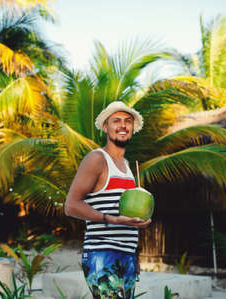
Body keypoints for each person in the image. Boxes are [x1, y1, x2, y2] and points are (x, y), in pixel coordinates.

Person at [64, 101, 152, 299]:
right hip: (102, 253)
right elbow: (71, 205)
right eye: (116, 121)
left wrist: (135, 251)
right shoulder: (97, 159)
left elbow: (127, 217)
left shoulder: (128, 167)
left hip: (126, 255)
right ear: (106, 127)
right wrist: (111, 219)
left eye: (127, 121)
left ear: (132, 128)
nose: (123, 125)